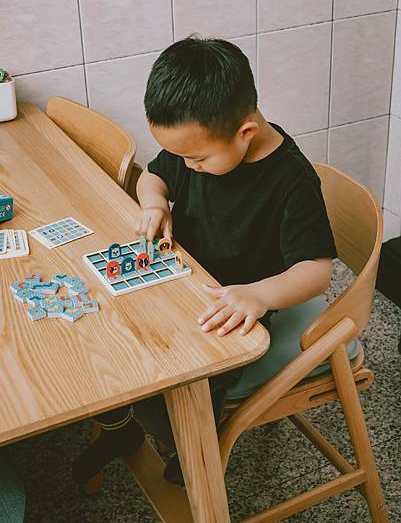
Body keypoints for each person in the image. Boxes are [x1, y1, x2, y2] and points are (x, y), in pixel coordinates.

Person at [72, 36, 337, 487]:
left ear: (245, 132)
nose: (187, 166)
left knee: (185, 375)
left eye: (195, 158)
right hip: (184, 280)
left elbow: (316, 271)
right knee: (105, 335)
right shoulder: (197, 146)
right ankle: (122, 427)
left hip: (235, 305)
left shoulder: (293, 180)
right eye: (181, 156)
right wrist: (155, 203)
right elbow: (153, 176)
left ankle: (187, 446)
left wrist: (259, 295)